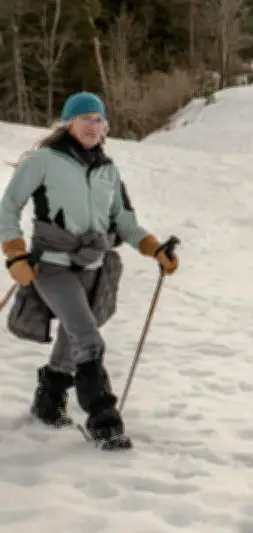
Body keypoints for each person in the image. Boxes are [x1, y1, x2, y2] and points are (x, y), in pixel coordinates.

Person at [0, 92, 180, 449]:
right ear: (69, 123)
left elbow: (125, 222)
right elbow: (8, 208)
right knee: (88, 338)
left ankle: (48, 402)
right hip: (52, 266)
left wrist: (154, 248)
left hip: (92, 268)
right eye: (85, 119)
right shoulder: (42, 161)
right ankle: (104, 421)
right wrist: (16, 255)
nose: (92, 126)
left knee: (72, 340)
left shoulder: (108, 171)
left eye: (99, 120)